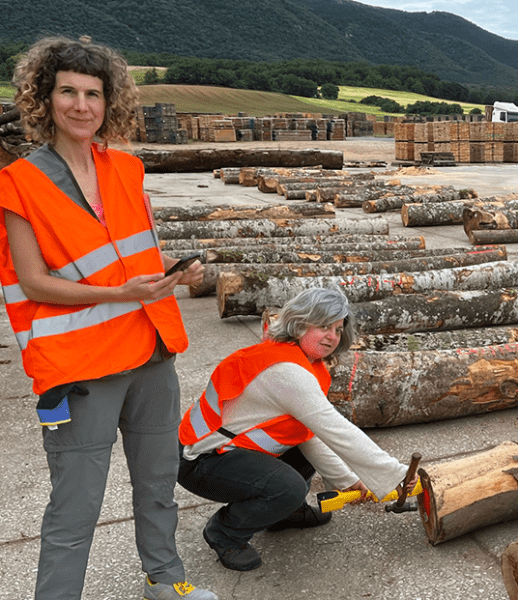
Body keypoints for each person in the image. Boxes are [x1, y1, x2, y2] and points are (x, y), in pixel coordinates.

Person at [0, 36, 215, 600]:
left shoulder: (127, 169)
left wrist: (175, 274)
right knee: (75, 506)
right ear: (43, 99)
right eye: (67, 92)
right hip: (81, 368)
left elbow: (138, 255)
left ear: (108, 100)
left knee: (158, 484)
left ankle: (165, 581)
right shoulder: (19, 182)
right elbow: (33, 282)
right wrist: (121, 293)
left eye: (92, 93)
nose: (81, 105)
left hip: (151, 352)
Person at [177, 286, 415, 572]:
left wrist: (347, 480)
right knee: (287, 487)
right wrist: (396, 474)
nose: (332, 336)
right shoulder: (286, 371)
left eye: (338, 330)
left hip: (227, 450)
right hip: (199, 460)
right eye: (324, 326)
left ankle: (282, 513)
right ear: (300, 323)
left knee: (298, 457)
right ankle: (225, 532)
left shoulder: (300, 361)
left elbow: (310, 435)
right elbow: (338, 431)